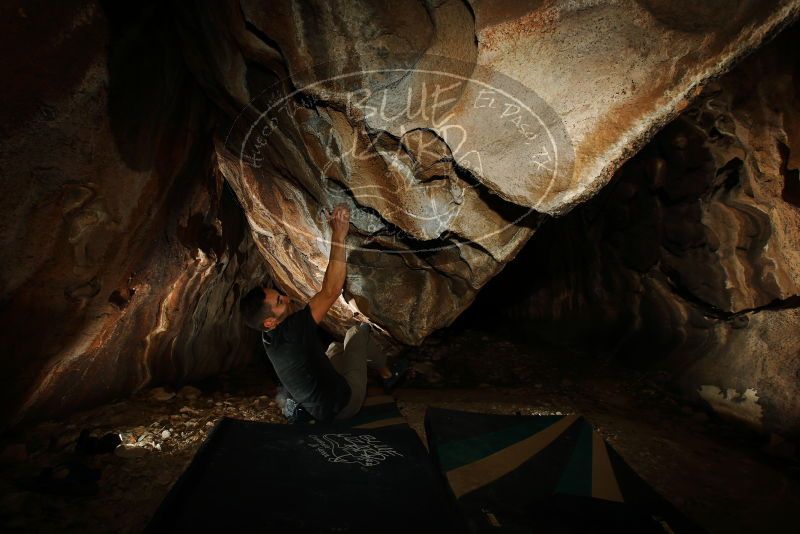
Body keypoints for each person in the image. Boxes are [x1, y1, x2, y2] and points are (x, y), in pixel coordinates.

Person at [239, 204, 407, 423]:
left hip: (320, 410)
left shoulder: (269, 337)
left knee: (335, 347)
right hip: (344, 405)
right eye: (280, 301)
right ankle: (387, 374)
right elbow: (331, 289)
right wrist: (339, 233)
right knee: (358, 332)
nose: (287, 299)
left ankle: (305, 404)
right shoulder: (292, 332)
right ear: (270, 321)